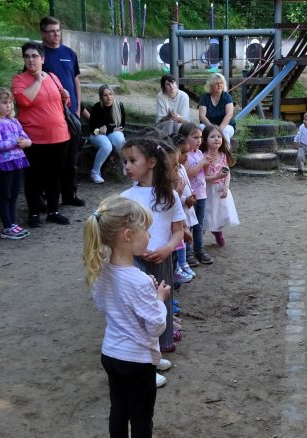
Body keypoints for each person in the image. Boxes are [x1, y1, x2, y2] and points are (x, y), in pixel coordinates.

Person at [82, 195, 170, 437]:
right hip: (137, 360)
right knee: (141, 418)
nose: (149, 236)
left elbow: (104, 305)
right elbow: (156, 326)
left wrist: (145, 294)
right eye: (146, 231)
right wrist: (159, 299)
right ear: (129, 235)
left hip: (111, 354)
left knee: (119, 410)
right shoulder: (139, 280)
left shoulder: (101, 270)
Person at [120, 136, 186, 358]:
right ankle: (142, 346)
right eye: (125, 162)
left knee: (163, 298)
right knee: (139, 302)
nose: (127, 166)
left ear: (151, 162)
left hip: (162, 257)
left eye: (132, 160)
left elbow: (178, 230)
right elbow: (120, 232)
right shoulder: (125, 198)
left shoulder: (170, 195)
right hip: (134, 260)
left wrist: (167, 249)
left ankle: (164, 341)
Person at [12, 41, 71, 228]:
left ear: (43, 59)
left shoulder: (53, 76)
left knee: (55, 175)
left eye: (35, 56)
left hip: (60, 135)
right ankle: (34, 213)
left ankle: (53, 211)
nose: (31, 60)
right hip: (33, 138)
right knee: (33, 177)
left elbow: (62, 103)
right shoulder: (19, 79)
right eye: (27, 56)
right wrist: (38, 80)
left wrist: (65, 96)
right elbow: (24, 100)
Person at [39, 16, 85, 207]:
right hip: (50, 116)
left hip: (71, 114)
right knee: (50, 160)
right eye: (51, 31)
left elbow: (76, 80)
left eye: (58, 30)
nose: (56, 34)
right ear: (43, 33)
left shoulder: (69, 53)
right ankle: (47, 198)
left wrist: (78, 107)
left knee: (71, 159)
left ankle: (69, 195)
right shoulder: (38, 55)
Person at [0, 86, 31, 240]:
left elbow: (25, 137)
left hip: (18, 160)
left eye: (10, 102)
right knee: (5, 195)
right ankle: (7, 227)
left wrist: (27, 142)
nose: (9, 106)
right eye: (5, 103)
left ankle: (13, 223)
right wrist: (17, 142)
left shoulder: (14, 121)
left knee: (14, 194)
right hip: (4, 163)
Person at [178, 122, 213, 266]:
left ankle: (199, 249)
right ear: (184, 139)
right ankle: (187, 252)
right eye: (195, 137)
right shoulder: (185, 156)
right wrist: (202, 164)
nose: (199, 140)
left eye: (200, 137)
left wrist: (207, 164)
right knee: (189, 224)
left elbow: (204, 173)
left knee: (199, 224)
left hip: (201, 194)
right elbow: (188, 173)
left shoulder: (199, 153)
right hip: (189, 197)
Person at [201, 124, 240, 247]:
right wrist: (217, 177)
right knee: (206, 214)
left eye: (219, 136)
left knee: (220, 213)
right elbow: (203, 178)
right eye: (212, 136)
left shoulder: (223, 156)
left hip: (220, 189)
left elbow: (227, 172)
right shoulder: (203, 157)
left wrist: (226, 187)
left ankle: (217, 231)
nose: (217, 139)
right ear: (205, 140)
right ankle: (198, 239)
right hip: (207, 190)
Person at [168, 134, 197, 283]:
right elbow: (172, 195)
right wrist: (185, 199)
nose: (187, 155)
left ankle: (183, 263)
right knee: (179, 238)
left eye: (188, 151)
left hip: (185, 208)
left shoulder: (181, 168)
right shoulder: (171, 172)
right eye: (183, 152)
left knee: (184, 238)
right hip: (179, 210)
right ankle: (178, 265)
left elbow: (185, 186)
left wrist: (190, 196)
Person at [88, 85, 127, 184]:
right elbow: (92, 130)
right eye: (105, 95)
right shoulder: (97, 107)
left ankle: (124, 164)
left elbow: (122, 127)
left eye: (110, 94)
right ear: (101, 97)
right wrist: (101, 130)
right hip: (97, 134)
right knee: (107, 146)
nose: (108, 97)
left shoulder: (119, 106)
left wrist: (108, 129)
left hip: (110, 133)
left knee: (119, 139)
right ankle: (95, 172)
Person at [198, 73, 235, 141]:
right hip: (208, 125)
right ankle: (203, 148)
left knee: (224, 132)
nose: (219, 85)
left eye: (221, 83)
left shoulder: (227, 96)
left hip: (226, 125)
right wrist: (212, 128)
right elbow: (202, 116)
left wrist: (219, 129)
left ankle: (226, 148)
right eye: (217, 83)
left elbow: (229, 115)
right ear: (211, 85)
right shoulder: (204, 97)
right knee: (201, 127)